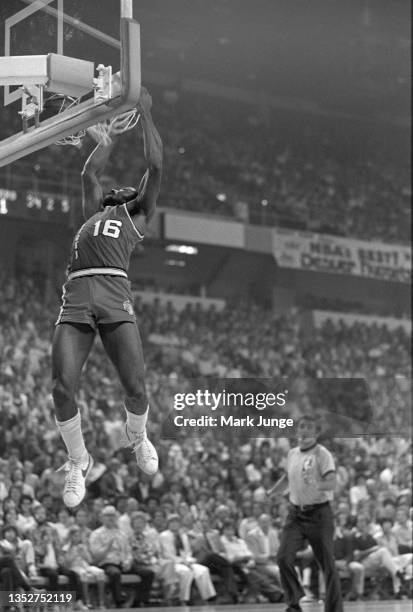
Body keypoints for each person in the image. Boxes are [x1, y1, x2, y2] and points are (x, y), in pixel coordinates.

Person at [51, 86, 163, 508]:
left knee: (135, 387)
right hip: (78, 290)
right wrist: (110, 136)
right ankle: (78, 460)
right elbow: (89, 176)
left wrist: (147, 116)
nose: (114, 188)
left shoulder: (137, 214)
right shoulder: (93, 213)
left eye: (123, 188)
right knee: (62, 388)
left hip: (115, 291)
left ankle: (139, 438)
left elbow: (155, 165)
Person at [268, 414, 343, 612]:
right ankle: (294, 603)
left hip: (319, 514)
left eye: (310, 427)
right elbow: (287, 477)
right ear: (297, 430)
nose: (305, 430)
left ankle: (334, 609)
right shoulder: (292, 453)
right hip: (295, 514)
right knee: (283, 557)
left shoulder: (322, 454)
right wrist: (273, 492)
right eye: (302, 426)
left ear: (316, 433)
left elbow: (333, 482)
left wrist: (317, 483)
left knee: (327, 564)